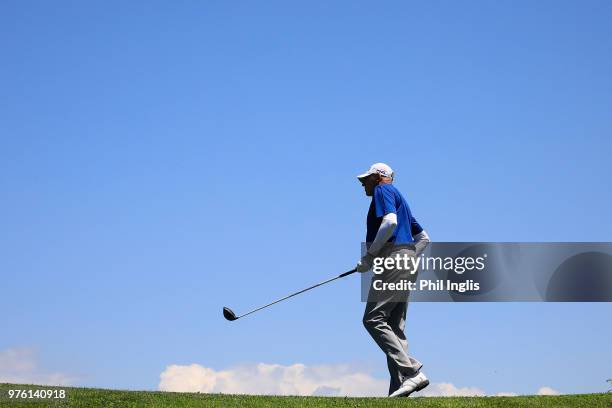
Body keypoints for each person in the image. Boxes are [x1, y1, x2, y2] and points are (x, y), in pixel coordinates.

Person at [355, 162, 431, 397]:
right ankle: (399, 389)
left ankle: (411, 372)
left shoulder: (383, 190)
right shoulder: (402, 200)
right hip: (407, 260)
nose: (362, 183)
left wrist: (371, 256)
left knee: (373, 319)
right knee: (395, 328)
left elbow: (390, 222)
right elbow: (424, 238)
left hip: (395, 258)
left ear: (378, 177)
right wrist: (407, 258)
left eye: (365, 179)